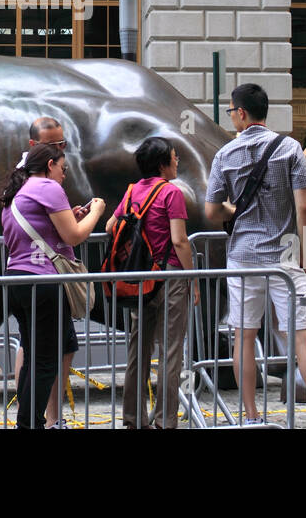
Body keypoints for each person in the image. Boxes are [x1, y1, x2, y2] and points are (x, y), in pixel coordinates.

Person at [205, 83, 306, 425]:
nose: (232, 117)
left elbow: (211, 212)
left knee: (244, 337)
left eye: (232, 111)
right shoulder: (290, 148)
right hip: (284, 257)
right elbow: (305, 209)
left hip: (243, 256)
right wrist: (305, 255)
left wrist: (233, 211)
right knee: (304, 341)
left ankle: (250, 416)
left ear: (242, 113)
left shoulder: (225, 155)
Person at [0, 142, 104, 429]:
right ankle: (31, 423)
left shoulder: (17, 193)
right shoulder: (47, 187)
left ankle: (28, 421)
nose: (64, 175)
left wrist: (72, 215)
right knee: (45, 361)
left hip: (17, 280)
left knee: (37, 354)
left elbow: (36, 234)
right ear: (49, 166)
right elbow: (73, 237)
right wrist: (96, 212)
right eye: (62, 168)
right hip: (43, 282)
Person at [104, 136, 196, 429]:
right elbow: (180, 241)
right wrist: (192, 279)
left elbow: (110, 226)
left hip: (140, 280)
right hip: (170, 278)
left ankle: (133, 418)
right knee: (171, 351)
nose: (177, 160)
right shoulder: (172, 193)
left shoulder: (132, 191)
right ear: (162, 164)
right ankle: (165, 421)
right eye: (174, 156)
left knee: (138, 349)